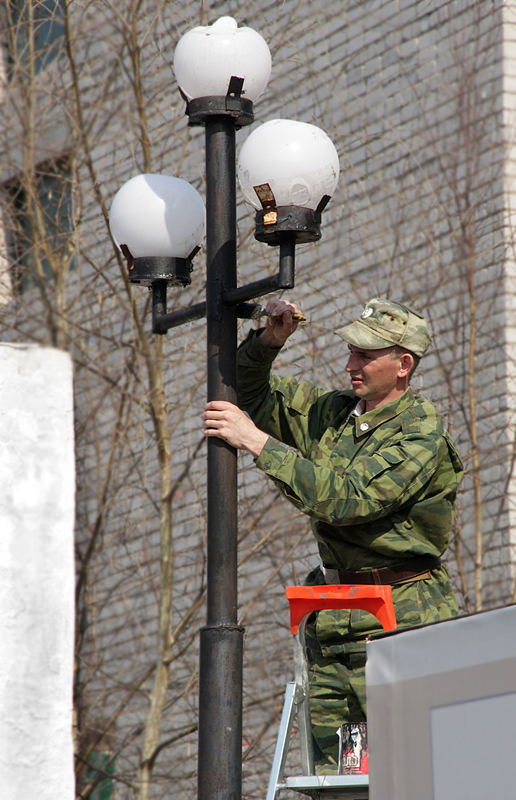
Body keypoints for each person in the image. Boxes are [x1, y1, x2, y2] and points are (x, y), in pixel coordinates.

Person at [202, 297, 464, 773]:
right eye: (351, 351)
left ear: (404, 365)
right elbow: (248, 393)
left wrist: (258, 443)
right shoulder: (337, 413)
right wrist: (268, 341)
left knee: (405, 770)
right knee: (333, 773)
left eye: (365, 355)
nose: (350, 365)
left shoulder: (420, 431)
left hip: (400, 617)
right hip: (336, 614)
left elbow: (347, 499)